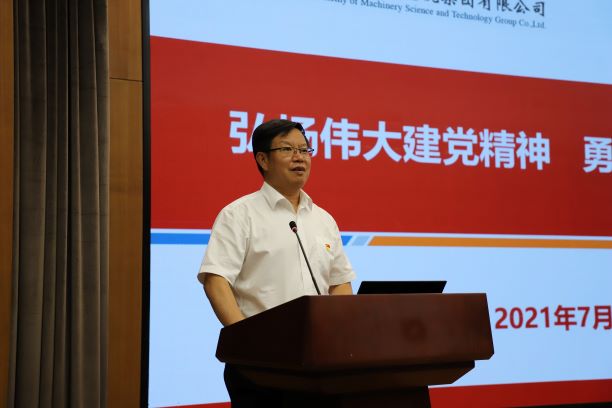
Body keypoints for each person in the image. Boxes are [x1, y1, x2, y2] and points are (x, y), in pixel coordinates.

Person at [197, 119, 356, 407]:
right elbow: (215, 280)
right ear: (263, 159)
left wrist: (340, 333)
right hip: (260, 365)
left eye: (304, 150)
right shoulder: (239, 214)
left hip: (318, 362)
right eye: (287, 149)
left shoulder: (323, 219)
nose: (299, 157)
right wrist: (246, 340)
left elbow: (339, 283)